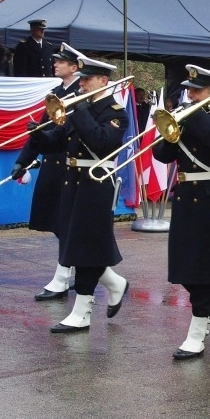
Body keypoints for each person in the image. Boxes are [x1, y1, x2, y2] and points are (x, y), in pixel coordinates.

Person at [26, 56, 131, 333]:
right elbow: (58, 142)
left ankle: (83, 312)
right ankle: (113, 284)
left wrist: (81, 109)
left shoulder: (116, 112)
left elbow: (101, 141)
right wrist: (38, 137)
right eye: (81, 79)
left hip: (96, 184)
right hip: (72, 182)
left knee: (87, 249)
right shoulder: (76, 108)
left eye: (87, 80)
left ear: (103, 81)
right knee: (75, 245)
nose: (81, 84)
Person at [152, 65, 210, 360]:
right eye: (189, 90)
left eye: (196, 90)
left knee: (204, 269)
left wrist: (195, 115)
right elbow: (162, 155)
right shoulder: (188, 114)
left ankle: (196, 333)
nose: (189, 95)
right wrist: (169, 131)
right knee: (185, 267)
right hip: (187, 197)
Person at [13, 43, 84, 301]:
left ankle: (63, 278)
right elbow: (41, 129)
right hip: (53, 163)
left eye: (60, 61)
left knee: (65, 224)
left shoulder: (81, 93)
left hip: (70, 164)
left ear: (74, 67)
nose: (54, 64)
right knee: (56, 223)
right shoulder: (56, 93)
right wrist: (23, 160)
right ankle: (99, 272)